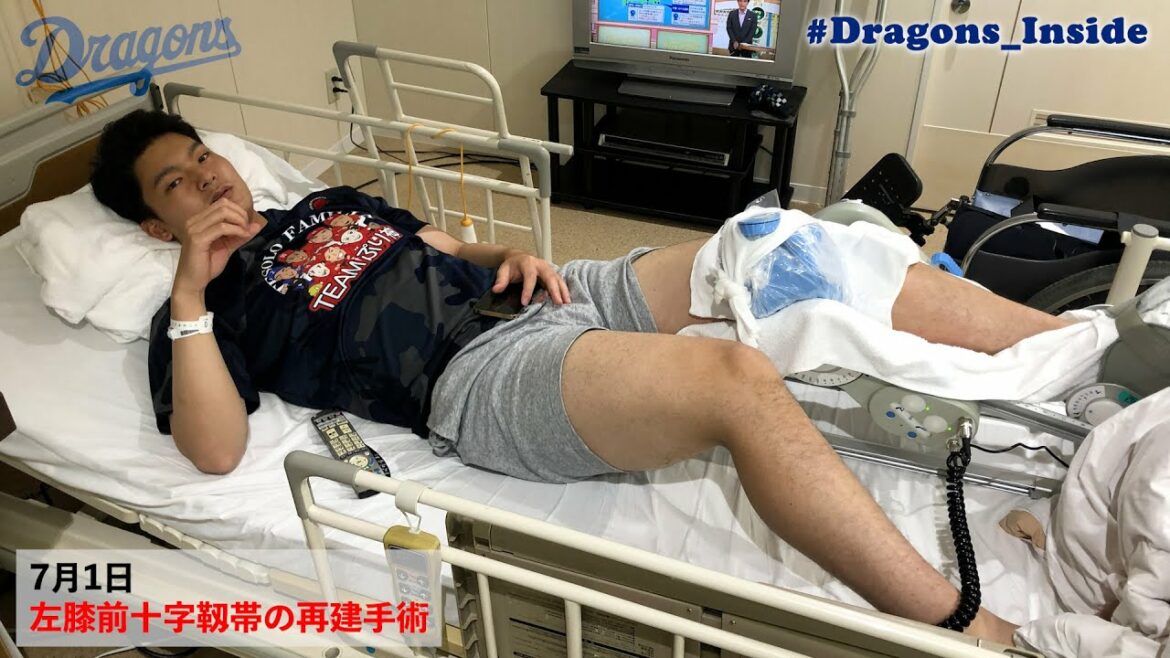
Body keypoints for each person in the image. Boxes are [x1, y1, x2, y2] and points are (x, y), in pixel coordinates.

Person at [91, 110, 1075, 645]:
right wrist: (191, 288)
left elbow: (447, 246)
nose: (209, 178)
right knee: (731, 380)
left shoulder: (326, 202)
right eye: (177, 181)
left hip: (549, 292)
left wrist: (508, 254)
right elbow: (213, 447)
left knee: (785, 246)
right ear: (153, 223)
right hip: (481, 372)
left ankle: (1079, 353)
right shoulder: (203, 309)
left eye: (203, 157)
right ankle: (967, 628)